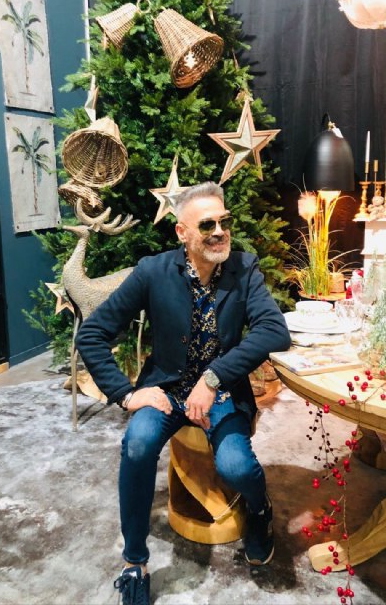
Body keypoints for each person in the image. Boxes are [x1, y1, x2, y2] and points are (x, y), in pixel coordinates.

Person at [76, 182, 291, 605]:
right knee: (137, 444)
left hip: (222, 392)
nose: (219, 232)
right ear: (182, 232)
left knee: (237, 468)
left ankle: (259, 508)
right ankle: (134, 562)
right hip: (165, 390)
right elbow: (93, 333)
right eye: (207, 225)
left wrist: (213, 379)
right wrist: (125, 394)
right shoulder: (152, 271)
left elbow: (274, 330)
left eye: (224, 222)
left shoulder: (244, 268)